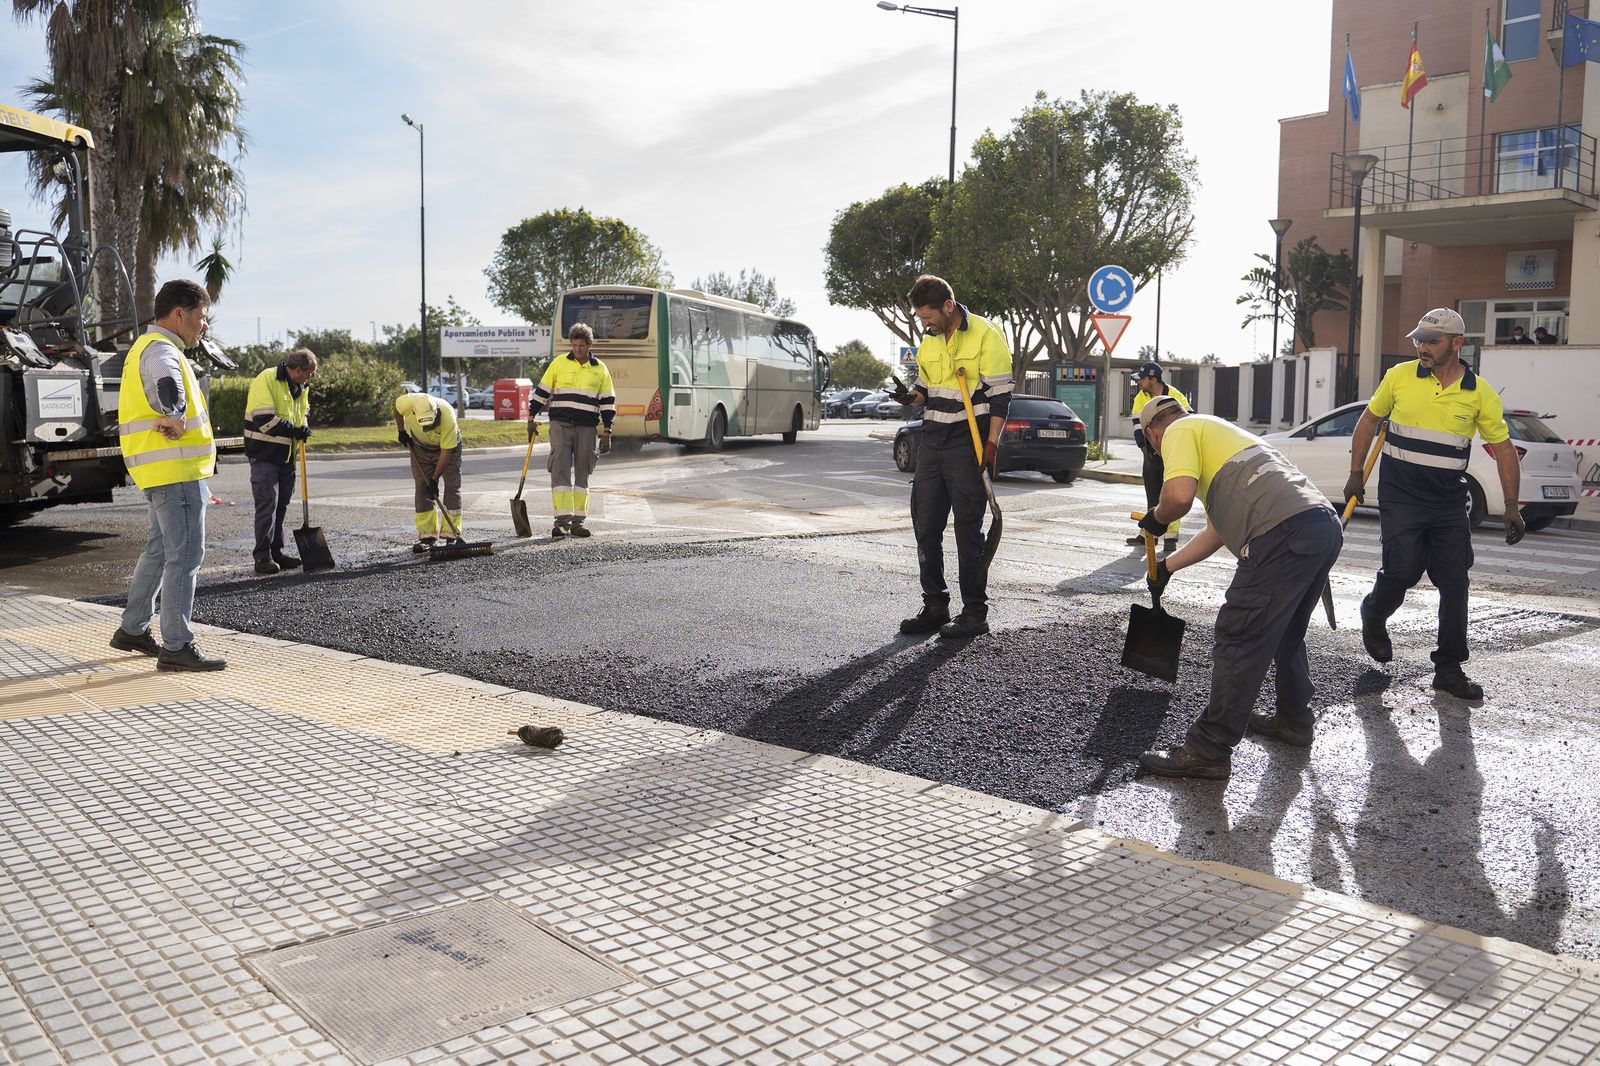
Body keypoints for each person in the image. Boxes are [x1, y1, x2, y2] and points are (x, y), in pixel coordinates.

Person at [1133, 395, 1343, 779]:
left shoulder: (1178, 430)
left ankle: (1209, 748)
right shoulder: (1223, 436)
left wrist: (1157, 519)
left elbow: (1177, 496)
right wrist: (1167, 567)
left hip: (1282, 534)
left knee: (1238, 636)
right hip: (1320, 525)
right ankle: (1294, 720)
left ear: (1152, 435)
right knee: (1285, 634)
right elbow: (1217, 532)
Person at [1346, 308, 1524, 701]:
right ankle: (1375, 613)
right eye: (1419, 340)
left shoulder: (1479, 392)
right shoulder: (1399, 377)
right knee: (1403, 570)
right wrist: (1356, 472)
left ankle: (1448, 668)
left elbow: (1504, 449)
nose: (1422, 348)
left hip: (1447, 502)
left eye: (1432, 341)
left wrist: (1511, 505)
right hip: (1401, 496)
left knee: (1455, 580)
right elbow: (1368, 421)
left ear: (1457, 343)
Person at [886, 274, 1013, 640]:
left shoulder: (987, 335)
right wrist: (912, 398)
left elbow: (1001, 397)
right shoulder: (928, 341)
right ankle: (935, 606)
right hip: (933, 440)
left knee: (967, 529)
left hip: (967, 443)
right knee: (925, 524)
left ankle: (974, 612)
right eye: (919, 317)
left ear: (948, 305)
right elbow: (927, 388)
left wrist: (992, 445)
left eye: (927, 315)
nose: (923, 323)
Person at [109, 279, 227, 672]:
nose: (204, 325)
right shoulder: (161, 350)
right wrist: (174, 412)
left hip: (159, 470)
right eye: (201, 316)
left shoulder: (145, 347)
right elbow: (165, 382)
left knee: (160, 551)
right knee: (185, 556)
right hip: (175, 471)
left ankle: (132, 629)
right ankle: (176, 645)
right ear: (180, 314)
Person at [525, 322, 616, 537]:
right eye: (574, 345)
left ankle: (578, 522)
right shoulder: (558, 363)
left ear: (589, 345)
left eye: (581, 346)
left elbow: (608, 402)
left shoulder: (600, 369)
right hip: (560, 426)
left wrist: (607, 432)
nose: (577, 350)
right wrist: (531, 417)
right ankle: (561, 521)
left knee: (582, 473)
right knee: (560, 470)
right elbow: (542, 392)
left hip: (587, 428)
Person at [243, 348, 317, 575]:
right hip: (265, 454)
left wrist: (303, 426)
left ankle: (277, 552)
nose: (311, 377)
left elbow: (302, 412)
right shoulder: (266, 379)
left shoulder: (300, 387)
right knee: (267, 505)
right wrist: (294, 430)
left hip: (287, 456)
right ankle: (262, 557)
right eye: (309, 373)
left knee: (281, 505)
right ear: (296, 370)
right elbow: (263, 420)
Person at [1124, 361, 1190, 555]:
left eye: (1142, 378)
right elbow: (1137, 426)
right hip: (1150, 453)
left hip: (1172, 452)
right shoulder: (1140, 398)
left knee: (1172, 493)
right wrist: (1146, 451)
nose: (1139, 382)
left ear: (1153, 379)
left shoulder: (1176, 396)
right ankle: (1149, 534)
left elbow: (1189, 420)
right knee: (1152, 495)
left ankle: (1171, 538)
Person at [394, 391, 463, 552]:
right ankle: (427, 536)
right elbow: (396, 409)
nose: (427, 428)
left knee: (452, 487)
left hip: (448, 449)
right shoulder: (408, 402)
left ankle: (451, 534)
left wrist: (434, 479)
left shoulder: (447, 416)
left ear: (436, 413)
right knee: (422, 488)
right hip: (420, 447)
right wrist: (401, 430)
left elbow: (445, 453)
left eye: (430, 424)